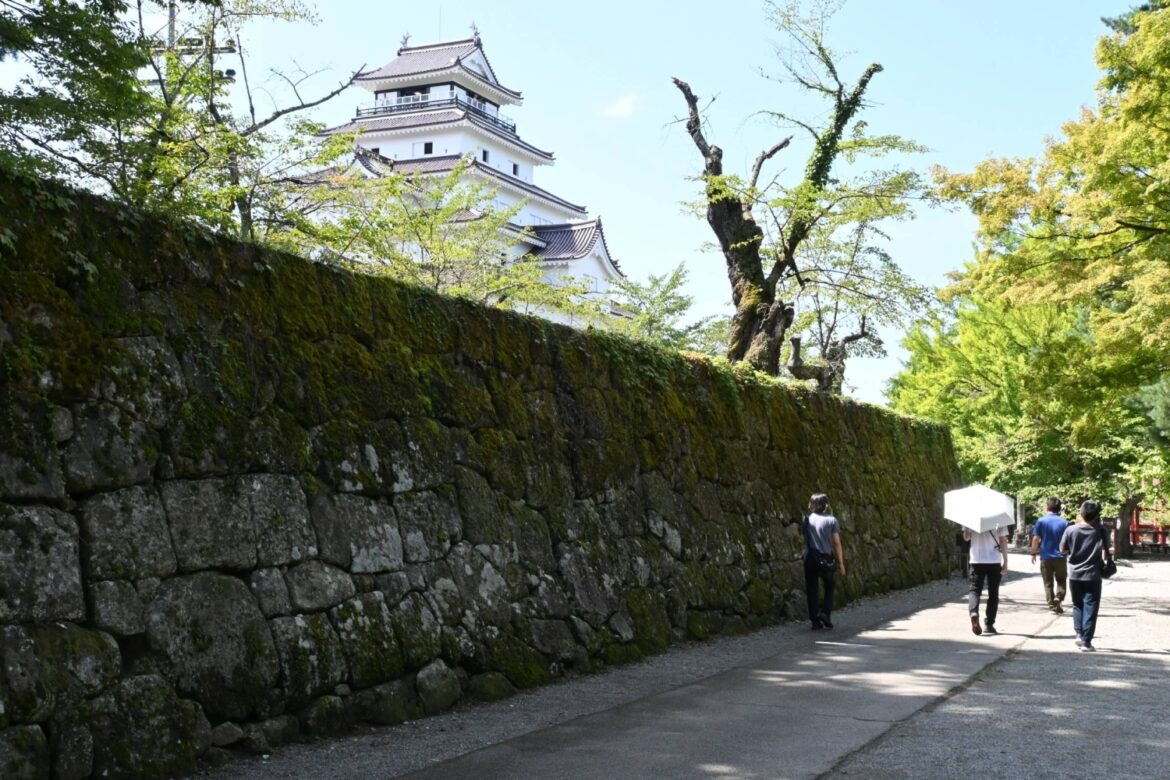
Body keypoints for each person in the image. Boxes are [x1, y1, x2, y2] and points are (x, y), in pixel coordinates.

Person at [1060, 499, 1112, 652]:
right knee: (1091, 606)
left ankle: (1078, 633)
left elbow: (1062, 550)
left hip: (1075, 573)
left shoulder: (1071, 530)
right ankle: (1086, 642)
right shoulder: (1101, 531)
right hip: (1093, 574)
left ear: (1081, 513)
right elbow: (1105, 550)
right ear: (1096, 516)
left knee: (1077, 604)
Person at [803, 493, 846, 630]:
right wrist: (841, 564)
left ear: (813, 504)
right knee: (829, 585)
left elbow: (805, 537)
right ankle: (825, 613)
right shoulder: (832, 520)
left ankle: (815, 620)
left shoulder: (807, 519)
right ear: (826, 505)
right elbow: (837, 543)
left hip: (810, 558)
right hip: (826, 559)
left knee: (812, 588)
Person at [964, 523, 1009, 635]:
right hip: (994, 560)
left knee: (975, 590)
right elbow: (1003, 540)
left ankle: (974, 612)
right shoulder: (1000, 517)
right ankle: (989, 624)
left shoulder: (971, 517)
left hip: (976, 560)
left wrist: (968, 529)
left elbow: (966, 537)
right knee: (993, 593)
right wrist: (1005, 561)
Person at [1031, 497, 1070, 614]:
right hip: (1061, 557)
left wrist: (1033, 552)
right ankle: (1059, 597)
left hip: (1046, 556)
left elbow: (1036, 539)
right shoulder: (1065, 522)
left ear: (1047, 507)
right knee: (1061, 580)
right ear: (1059, 509)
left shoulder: (1041, 521)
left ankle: (1052, 606)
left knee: (1048, 583)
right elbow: (1069, 540)